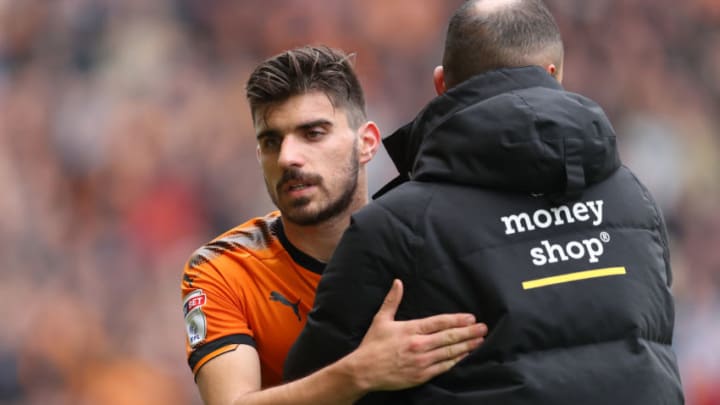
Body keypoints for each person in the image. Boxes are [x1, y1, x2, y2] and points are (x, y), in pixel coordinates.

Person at [284, 1, 684, 404]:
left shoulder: (391, 230)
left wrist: (357, 373)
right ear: (553, 76)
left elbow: (308, 386)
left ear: (440, 84)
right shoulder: (635, 198)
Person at [180, 45, 488, 405]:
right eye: (271, 141)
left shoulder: (434, 243)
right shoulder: (223, 270)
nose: (287, 157)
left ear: (367, 143)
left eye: (313, 133)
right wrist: (360, 372)